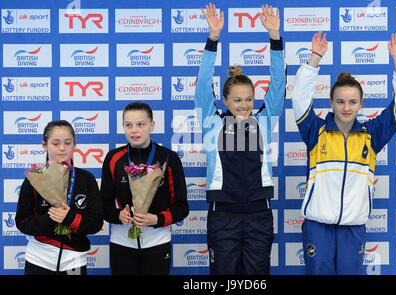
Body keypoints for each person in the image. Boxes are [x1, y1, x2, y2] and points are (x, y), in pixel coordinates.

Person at [292, 31, 396, 274]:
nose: (346, 108)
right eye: (340, 102)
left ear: (361, 104)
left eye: (352, 102)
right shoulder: (316, 130)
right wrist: (315, 58)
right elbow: (300, 98)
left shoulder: (372, 133)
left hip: (353, 227)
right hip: (318, 226)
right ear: (331, 103)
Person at [195, 3, 285, 275]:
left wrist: (274, 39)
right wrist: (213, 40)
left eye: (249, 99)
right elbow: (202, 85)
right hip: (222, 216)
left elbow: (278, 83)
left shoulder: (264, 121)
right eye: (237, 100)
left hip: (259, 215)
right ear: (224, 100)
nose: (244, 105)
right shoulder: (212, 123)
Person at [101, 101, 189, 275]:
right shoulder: (113, 158)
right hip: (121, 242)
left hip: (158, 242)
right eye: (129, 125)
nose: (134, 130)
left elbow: (182, 207)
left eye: (140, 124)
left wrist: (156, 220)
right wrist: (119, 215)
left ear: (152, 125)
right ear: (123, 127)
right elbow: (103, 206)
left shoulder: (168, 158)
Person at [15, 120, 103, 275]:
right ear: (44, 145)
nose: (62, 148)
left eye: (67, 143)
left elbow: (96, 223)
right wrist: (51, 218)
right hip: (38, 259)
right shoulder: (34, 179)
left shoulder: (86, 179)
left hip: (74, 259)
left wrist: (69, 218)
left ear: (74, 144)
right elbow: (22, 222)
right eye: (55, 143)